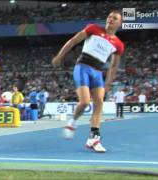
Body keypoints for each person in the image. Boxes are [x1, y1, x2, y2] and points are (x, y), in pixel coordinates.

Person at [52, 10, 124, 153]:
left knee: (99, 103)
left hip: (97, 72)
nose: (110, 19)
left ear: (119, 23)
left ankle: (94, 138)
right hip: (82, 67)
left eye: (114, 18)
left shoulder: (118, 44)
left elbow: (114, 65)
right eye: (109, 16)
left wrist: (108, 83)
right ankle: (72, 122)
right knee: (85, 102)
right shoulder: (94, 28)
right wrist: (59, 56)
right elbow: (73, 41)